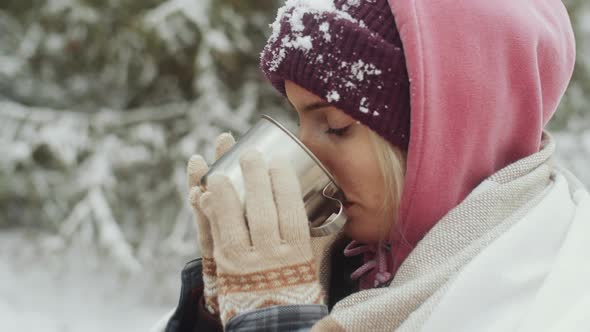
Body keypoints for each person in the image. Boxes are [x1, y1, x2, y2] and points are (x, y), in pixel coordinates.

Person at [159, 0, 590, 331]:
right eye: (298, 118)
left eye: (335, 125)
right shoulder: (343, 268)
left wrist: (276, 318)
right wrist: (215, 313)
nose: (304, 154)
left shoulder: (557, 298)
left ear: (447, 135)